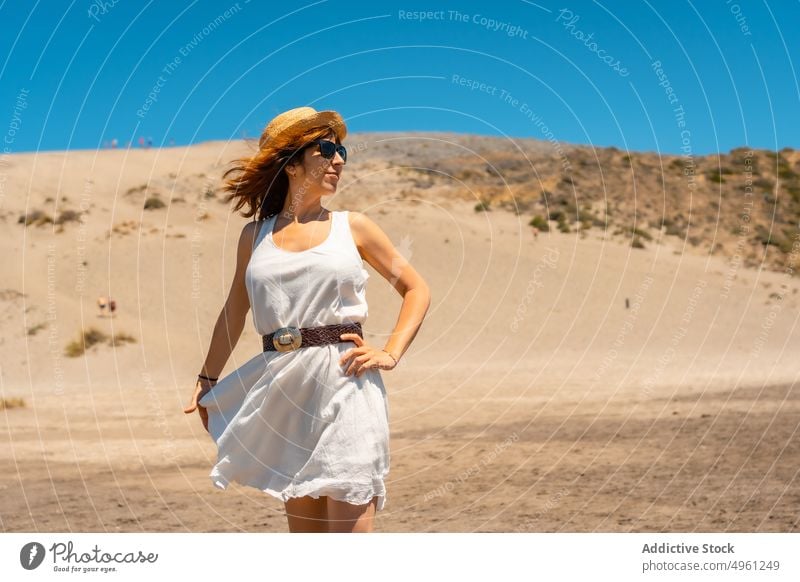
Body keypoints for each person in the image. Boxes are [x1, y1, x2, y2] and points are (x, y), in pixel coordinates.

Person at [183, 106, 431, 533]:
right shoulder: (254, 236)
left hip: (346, 384)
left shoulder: (353, 227)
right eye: (328, 149)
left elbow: (417, 289)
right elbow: (234, 311)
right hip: (285, 392)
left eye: (343, 152)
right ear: (292, 162)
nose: (340, 160)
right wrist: (207, 379)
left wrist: (391, 353)